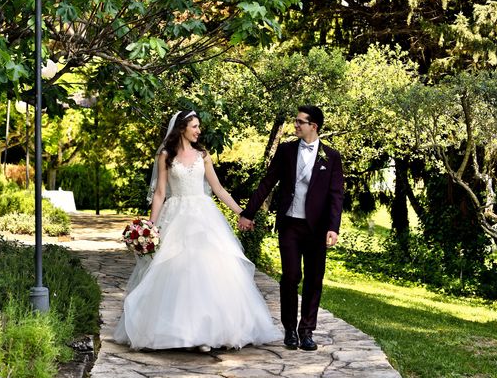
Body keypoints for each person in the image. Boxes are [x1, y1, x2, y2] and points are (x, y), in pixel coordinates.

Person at [114, 110, 282, 352]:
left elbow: (219, 189)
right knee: (177, 272)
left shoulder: (203, 155)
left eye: (198, 127)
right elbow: (160, 193)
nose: (198, 130)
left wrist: (241, 213)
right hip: (175, 217)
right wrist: (150, 227)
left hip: (204, 217)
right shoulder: (166, 156)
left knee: (209, 270)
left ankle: (207, 333)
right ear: (182, 127)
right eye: (194, 126)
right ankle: (182, 332)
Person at [238, 105, 344, 351]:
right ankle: (290, 330)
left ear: (313, 126)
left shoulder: (331, 156)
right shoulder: (285, 151)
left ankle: (307, 331)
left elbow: (336, 195)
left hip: (317, 228)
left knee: (314, 279)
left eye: (300, 122)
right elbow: (268, 182)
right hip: (290, 224)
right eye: (296, 121)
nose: (295, 125)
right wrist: (247, 213)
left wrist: (333, 227)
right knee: (291, 276)